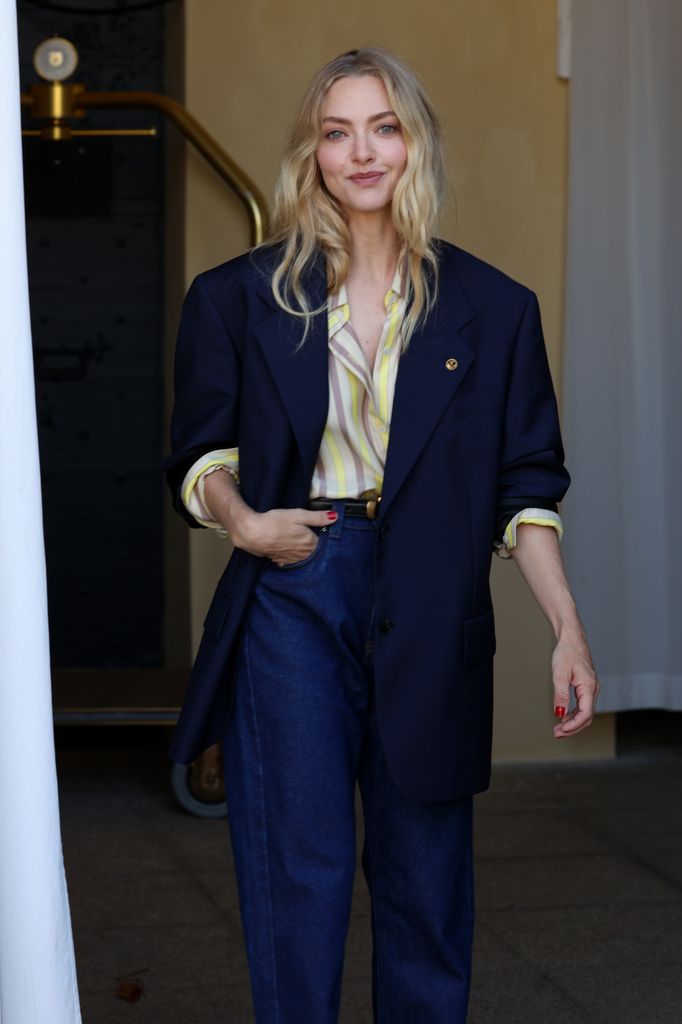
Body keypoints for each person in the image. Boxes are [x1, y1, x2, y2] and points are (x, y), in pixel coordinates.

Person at [164, 46, 599, 1024]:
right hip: (294, 589)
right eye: (336, 132)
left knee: (425, 882)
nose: (361, 152)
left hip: (433, 601)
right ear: (311, 153)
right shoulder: (236, 297)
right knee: (299, 874)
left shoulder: (495, 310)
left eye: (383, 128)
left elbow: (525, 484)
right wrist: (248, 525)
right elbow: (199, 452)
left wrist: (566, 627)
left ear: (415, 145)